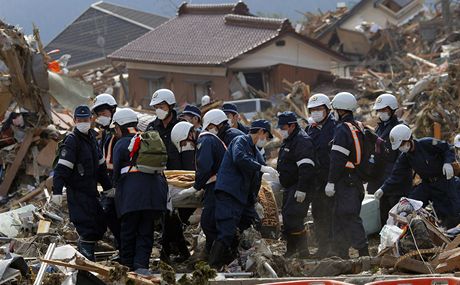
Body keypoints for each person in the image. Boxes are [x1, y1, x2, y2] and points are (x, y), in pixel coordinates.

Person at [209, 120, 277, 268]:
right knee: (226, 231)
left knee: (247, 226)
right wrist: (262, 168)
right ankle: (212, 268)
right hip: (229, 193)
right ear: (260, 132)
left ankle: (235, 261)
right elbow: (239, 158)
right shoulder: (240, 141)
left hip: (242, 198)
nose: (266, 140)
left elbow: (256, 180)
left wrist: (254, 202)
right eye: (266, 135)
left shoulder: (256, 153)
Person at [111, 108, 168, 275]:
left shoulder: (121, 144)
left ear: (119, 126)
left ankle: (127, 266)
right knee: (145, 231)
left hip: (132, 197)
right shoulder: (148, 139)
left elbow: (115, 174)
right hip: (153, 196)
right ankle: (142, 266)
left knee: (128, 231)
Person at [52, 105, 112, 261]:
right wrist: (57, 191)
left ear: (91, 120)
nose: (83, 122)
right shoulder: (72, 141)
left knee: (99, 224)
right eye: (80, 120)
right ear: (74, 121)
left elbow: (101, 168)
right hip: (77, 192)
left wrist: (108, 188)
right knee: (87, 226)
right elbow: (61, 169)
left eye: (86, 119)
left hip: (91, 191)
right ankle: (85, 258)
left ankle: (86, 250)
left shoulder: (91, 139)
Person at [374, 124, 460, 228]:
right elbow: (396, 176)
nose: (401, 148)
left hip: (444, 181)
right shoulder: (405, 157)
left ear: (408, 139)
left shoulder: (428, 142)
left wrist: (448, 163)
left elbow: (447, 147)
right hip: (427, 185)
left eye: (401, 144)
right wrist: (383, 189)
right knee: (410, 203)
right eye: (399, 146)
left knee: (453, 211)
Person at [146, 88, 190, 263]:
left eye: (161, 105)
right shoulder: (151, 127)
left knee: (174, 217)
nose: (159, 109)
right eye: (156, 106)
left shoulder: (181, 126)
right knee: (167, 216)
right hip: (159, 178)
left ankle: (171, 250)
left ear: (170, 106)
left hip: (180, 179)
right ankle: (174, 251)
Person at [173, 118, 227, 254]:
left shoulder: (205, 141)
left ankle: (214, 257)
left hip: (219, 187)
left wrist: (195, 187)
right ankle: (212, 254)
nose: (186, 146)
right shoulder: (206, 140)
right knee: (211, 222)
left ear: (189, 135)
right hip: (218, 186)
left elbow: (205, 168)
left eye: (184, 143)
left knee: (208, 222)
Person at [325, 92, 369, 259]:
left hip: (346, 181)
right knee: (340, 217)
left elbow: (337, 159)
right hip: (354, 179)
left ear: (340, 110)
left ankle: (364, 255)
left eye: (334, 110)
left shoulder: (342, 129)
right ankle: (343, 255)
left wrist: (330, 181)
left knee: (349, 216)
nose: (333, 113)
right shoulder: (358, 126)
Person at [277, 111, 315, 258]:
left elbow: (306, 167)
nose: (281, 130)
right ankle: (292, 250)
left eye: (283, 127)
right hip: (290, 185)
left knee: (294, 217)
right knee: (288, 217)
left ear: (292, 126)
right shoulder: (290, 139)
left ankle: (303, 251)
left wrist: (302, 189)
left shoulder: (301, 141)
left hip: (299, 185)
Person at [367, 94, 410, 224]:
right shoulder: (379, 127)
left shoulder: (401, 127)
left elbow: (403, 157)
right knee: (381, 208)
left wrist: (394, 177)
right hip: (379, 174)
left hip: (394, 176)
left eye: (384, 110)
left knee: (395, 210)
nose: (381, 113)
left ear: (392, 109)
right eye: (379, 110)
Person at [305, 93, 336, 258]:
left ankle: (334, 247)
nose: (316, 112)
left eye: (319, 109)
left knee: (332, 213)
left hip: (331, 177)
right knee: (318, 214)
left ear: (327, 109)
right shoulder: (310, 128)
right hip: (316, 179)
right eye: (313, 110)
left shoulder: (335, 126)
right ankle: (322, 247)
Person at [91, 93, 121, 249]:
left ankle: (123, 248)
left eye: (104, 113)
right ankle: (120, 245)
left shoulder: (118, 131)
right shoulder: (105, 133)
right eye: (99, 114)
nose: (101, 117)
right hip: (109, 181)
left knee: (111, 212)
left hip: (119, 181)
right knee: (110, 213)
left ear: (113, 110)